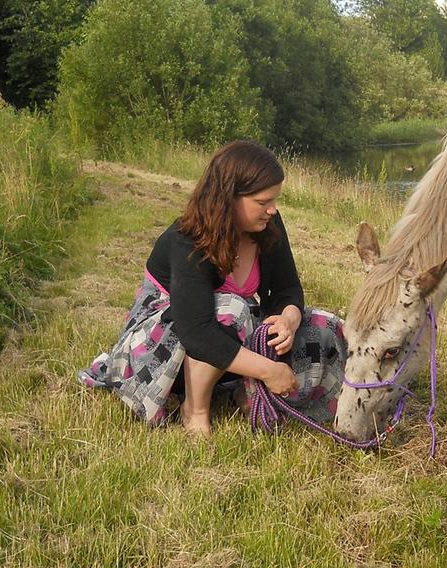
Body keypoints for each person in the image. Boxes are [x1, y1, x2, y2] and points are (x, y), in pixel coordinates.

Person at [79, 140, 346, 434]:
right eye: (262, 202)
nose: (272, 210)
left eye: (274, 200)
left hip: (226, 339)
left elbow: (287, 288)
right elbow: (197, 333)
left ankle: (248, 392)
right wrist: (269, 370)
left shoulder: (268, 224)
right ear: (229, 197)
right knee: (232, 309)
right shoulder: (188, 239)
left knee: (326, 325)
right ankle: (195, 409)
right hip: (163, 349)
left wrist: (289, 320)